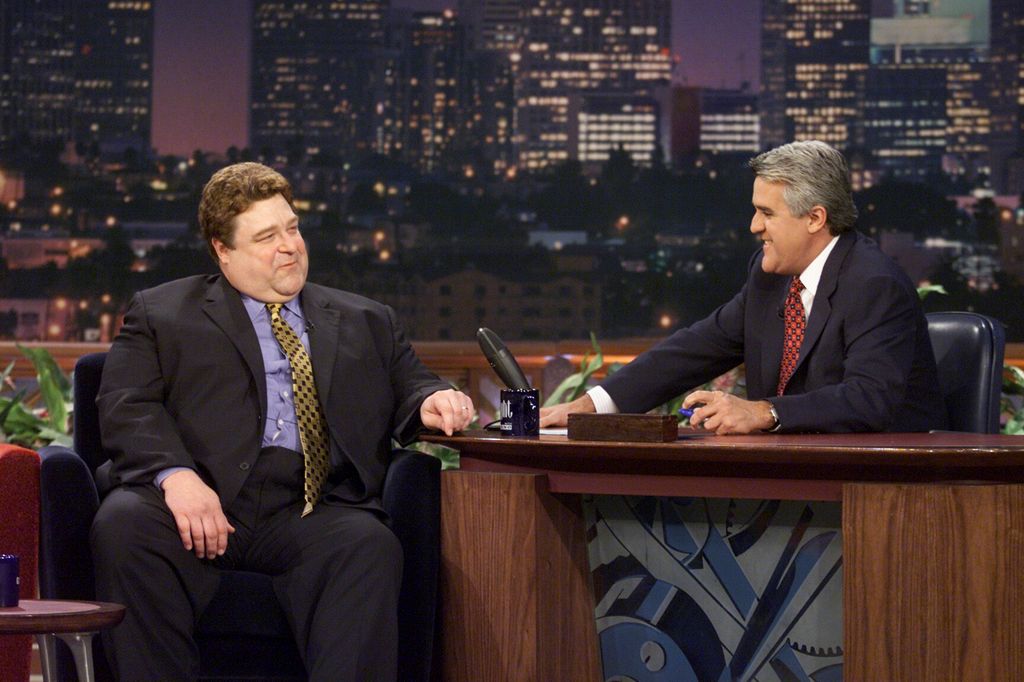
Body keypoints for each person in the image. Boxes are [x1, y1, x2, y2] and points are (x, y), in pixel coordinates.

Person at [91, 162, 474, 680]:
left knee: (368, 545)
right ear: (223, 250)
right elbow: (125, 404)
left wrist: (433, 399)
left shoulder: (367, 320)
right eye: (266, 237)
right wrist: (177, 478)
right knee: (124, 524)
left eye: (292, 228)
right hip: (200, 496)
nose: (289, 246)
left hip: (310, 509)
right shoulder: (162, 314)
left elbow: (413, 383)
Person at [541, 140, 947, 434]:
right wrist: (591, 405)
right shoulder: (771, 276)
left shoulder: (873, 284)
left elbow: (869, 399)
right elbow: (697, 348)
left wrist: (764, 412)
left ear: (815, 218)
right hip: (790, 472)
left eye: (767, 213)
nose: (754, 226)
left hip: (889, 486)